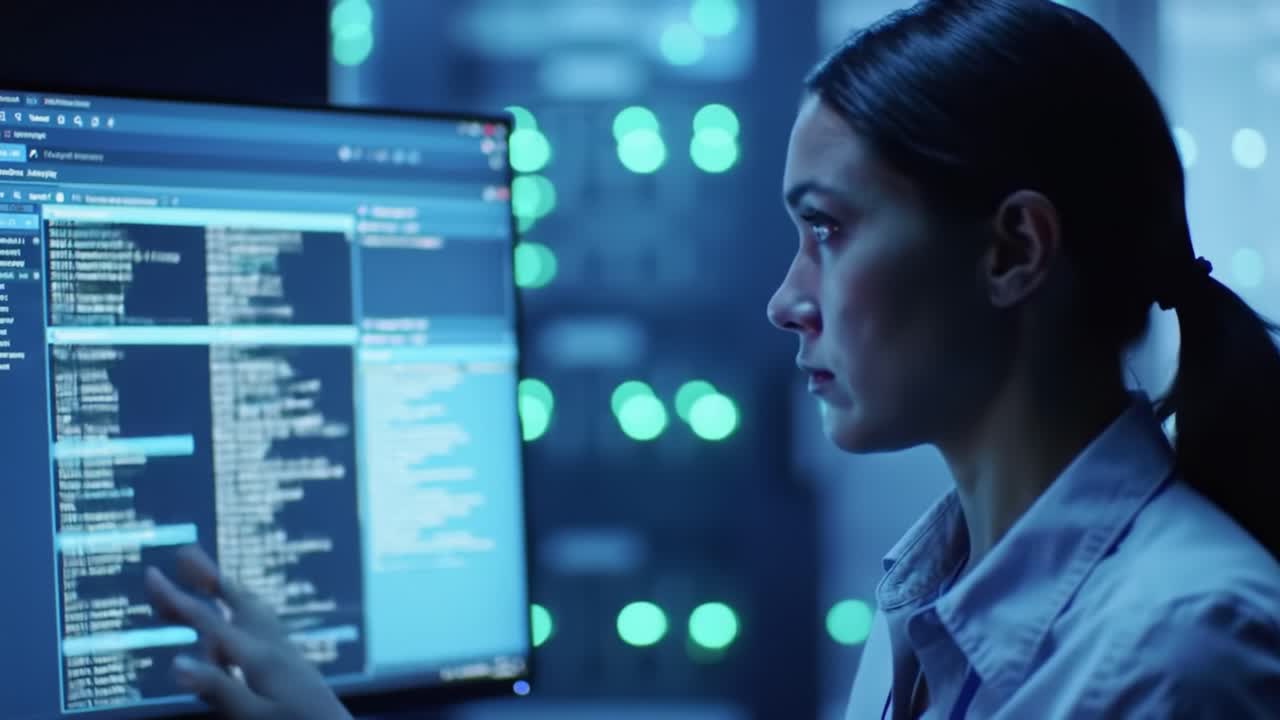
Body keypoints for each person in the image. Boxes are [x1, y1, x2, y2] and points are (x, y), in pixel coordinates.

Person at [145, 0, 1280, 717]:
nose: (786, 302)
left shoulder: (1185, 652)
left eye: (826, 230)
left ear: (1011, 250)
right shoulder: (933, 603)